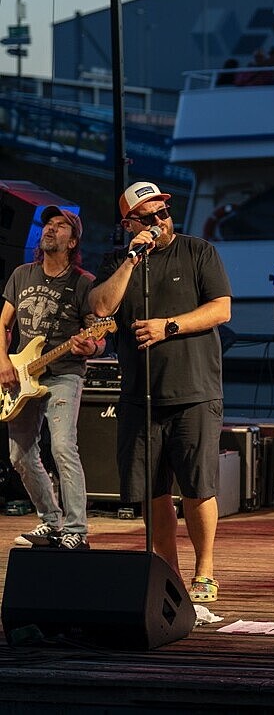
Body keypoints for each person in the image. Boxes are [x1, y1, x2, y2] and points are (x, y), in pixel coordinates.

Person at [89, 182, 232, 603]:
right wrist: (133, 259)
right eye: (149, 218)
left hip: (194, 390)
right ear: (129, 222)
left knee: (198, 487)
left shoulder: (198, 251)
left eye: (163, 215)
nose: (160, 223)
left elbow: (221, 309)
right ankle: (166, 570)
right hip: (141, 393)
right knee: (152, 491)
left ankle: (204, 571)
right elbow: (100, 307)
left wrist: (168, 326)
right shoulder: (119, 260)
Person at [0, 207, 106, 550]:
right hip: (20, 376)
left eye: (61, 226)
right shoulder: (21, 275)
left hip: (64, 375)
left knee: (62, 447)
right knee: (19, 456)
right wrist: (3, 361)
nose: (51, 229)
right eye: (49, 223)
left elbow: (99, 336)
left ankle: (77, 529)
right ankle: (50, 520)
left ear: (72, 240)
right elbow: (2, 324)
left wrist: (91, 344)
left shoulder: (83, 283)